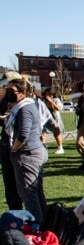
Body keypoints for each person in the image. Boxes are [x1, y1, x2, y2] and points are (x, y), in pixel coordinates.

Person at [4, 79, 48, 223]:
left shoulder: (25, 108)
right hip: (34, 151)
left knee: (28, 194)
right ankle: (44, 223)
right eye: (7, 89)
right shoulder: (23, 106)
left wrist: (14, 149)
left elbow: (23, 133)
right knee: (36, 193)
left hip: (28, 154)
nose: (8, 93)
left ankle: (36, 226)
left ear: (22, 93)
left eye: (12, 91)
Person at [0, 71, 23, 211]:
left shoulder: (28, 101)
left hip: (21, 145)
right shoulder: (5, 99)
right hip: (6, 143)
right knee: (9, 182)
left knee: (24, 184)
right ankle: (14, 211)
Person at [41, 87, 65, 154]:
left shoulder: (56, 100)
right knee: (43, 134)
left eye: (50, 94)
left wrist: (51, 102)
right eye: (47, 94)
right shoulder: (42, 101)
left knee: (56, 134)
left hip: (54, 118)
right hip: (44, 119)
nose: (48, 96)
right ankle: (42, 148)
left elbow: (59, 108)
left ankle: (60, 148)